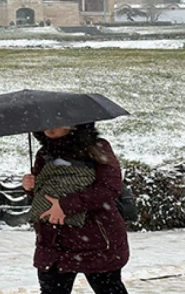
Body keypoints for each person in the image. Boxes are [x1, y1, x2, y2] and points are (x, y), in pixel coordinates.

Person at [22, 122, 130, 294]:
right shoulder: (44, 153)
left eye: (56, 122)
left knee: (108, 289)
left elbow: (109, 187)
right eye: (45, 123)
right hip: (53, 241)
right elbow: (43, 194)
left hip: (95, 238)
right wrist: (29, 187)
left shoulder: (96, 148)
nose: (50, 128)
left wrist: (65, 205)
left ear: (74, 124)